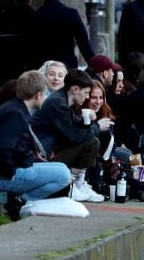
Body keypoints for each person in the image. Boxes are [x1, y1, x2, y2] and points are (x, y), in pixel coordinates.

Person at [0, 70, 73, 204]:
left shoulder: (16, 108)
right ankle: (21, 200)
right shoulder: (14, 113)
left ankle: (21, 199)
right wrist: (15, 171)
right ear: (38, 95)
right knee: (63, 175)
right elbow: (4, 149)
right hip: (2, 177)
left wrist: (33, 162)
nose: (46, 98)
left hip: (4, 172)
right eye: (45, 94)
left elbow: (19, 149)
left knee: (61, 168)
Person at [31, 69, 109, 202]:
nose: (87, 97)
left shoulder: (62, 100)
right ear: (75, 90)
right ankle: (71, 185)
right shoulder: (58, 103)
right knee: (92, 142)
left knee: (91, 139)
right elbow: (73, 136)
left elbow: (73, 126)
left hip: (49, 153)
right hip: (41, 157)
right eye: (86, 93)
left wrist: (87, 121)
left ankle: (78, 184)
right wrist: (97, 127)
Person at [33, 0, 95, 69]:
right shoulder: (71, 14)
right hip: (67, 66)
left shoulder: (36, 16)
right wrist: (94, 65)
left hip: (44, 67)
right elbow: (83, 42)